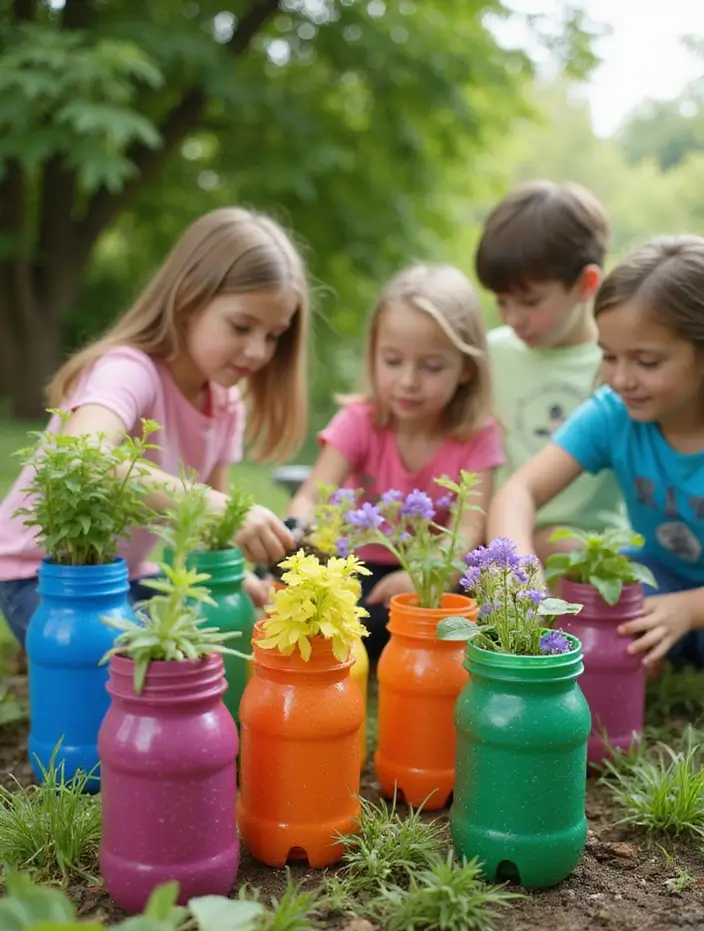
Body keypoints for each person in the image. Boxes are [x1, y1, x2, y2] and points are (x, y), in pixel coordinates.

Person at [0, 206, 309, 648]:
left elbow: (207, 534)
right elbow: (79, 457)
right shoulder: (129, 370)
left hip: (122, 578)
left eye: (274, 335)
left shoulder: (225, 403)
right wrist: (209, 504)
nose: (259, 351)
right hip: (42, 577)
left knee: (205, 642)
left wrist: (229, 577)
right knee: (139, 657)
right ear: (188, 301)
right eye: (242, 326)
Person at [487, 235, 704, 669]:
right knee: (609, 636)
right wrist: (519, 573)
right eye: (609, 356)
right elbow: (519, 492)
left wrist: (691, 609)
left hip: (689, 602)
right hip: (656, 582)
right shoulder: (613, 412)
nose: (621, 378)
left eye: (647, 362)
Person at [286, 262, 504, 660]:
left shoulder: (477, 436)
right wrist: (306, 542)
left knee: (462, 619)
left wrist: (422, 578)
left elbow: (469, 527)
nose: (408, 381)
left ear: (467, 368)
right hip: (356, 572)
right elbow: (309, 499)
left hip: (432, 579)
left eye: (431, 366)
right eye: (392, 361)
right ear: (373, 355)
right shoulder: (360, 420)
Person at [475, 180, 625, 563]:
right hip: (499, 551)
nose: (512, 318)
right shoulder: (489, 355)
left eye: (530, 301)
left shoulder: (619, 365)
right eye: (501, 301)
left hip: (595, 555)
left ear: (585, 284)